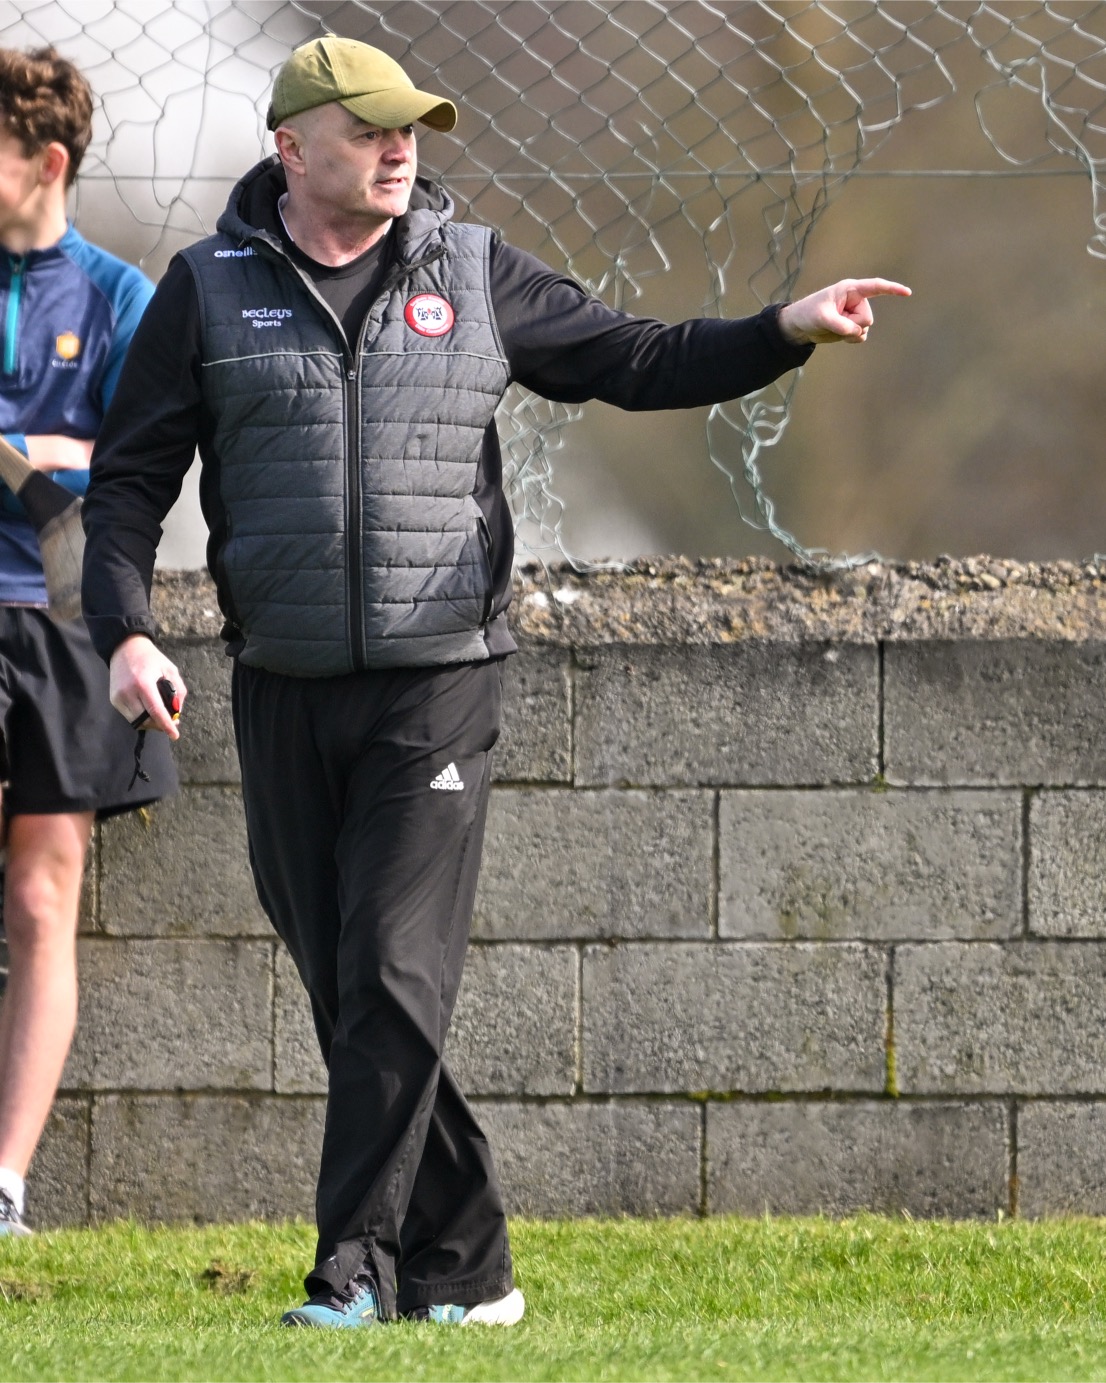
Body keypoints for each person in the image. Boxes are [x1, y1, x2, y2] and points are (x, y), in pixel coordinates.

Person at [80, 36, 909, 1324]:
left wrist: (780, 331)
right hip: (282, 683)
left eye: (409, 129)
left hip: (440, 683)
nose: (399, 149)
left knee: (392, 971)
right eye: (369, 129)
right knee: (349, 988)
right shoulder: (206, 290)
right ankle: (467, 1267)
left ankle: (352, 1276)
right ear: (291, 147)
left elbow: (634, 359)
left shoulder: (471, 271)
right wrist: (128, 631)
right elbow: (130, 483)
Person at [0, 46, 176, 1238]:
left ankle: (4, 1183)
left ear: (47, 162)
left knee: (40, 896)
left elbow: (143, 464)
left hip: (66, 627)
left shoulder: (120, 296)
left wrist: (60, 458)